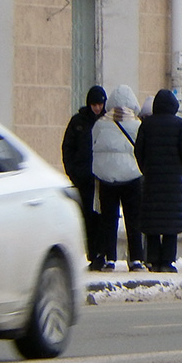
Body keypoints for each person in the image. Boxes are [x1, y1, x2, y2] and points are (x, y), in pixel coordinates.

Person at [133, 89, 182, 273]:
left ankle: (153, 259)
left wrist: (146, 169)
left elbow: (138, 150)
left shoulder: (147, 124)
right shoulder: (179, 124)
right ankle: (167, 261)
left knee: (152, 222)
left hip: (152, 180)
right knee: (170, 223)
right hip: (173, 181)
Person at [91, 84, 146, 272]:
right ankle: (136, 258)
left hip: (106, 178)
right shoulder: (138, 125)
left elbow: (93, 146)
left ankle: (109, 257)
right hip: (132, 177)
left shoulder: (100, 124)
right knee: (133, 219)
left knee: (108, 219)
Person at [62, 85, 107, 266]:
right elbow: (68, 148)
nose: (97, 108)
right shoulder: (78, 122)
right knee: (87, 217)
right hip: (84, 178)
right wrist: (73, 172)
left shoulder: (107, 122)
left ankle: (101, 254)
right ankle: (91, 253)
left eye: (100, 104)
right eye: (94, 104)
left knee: (103, 217)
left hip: (102, 178)